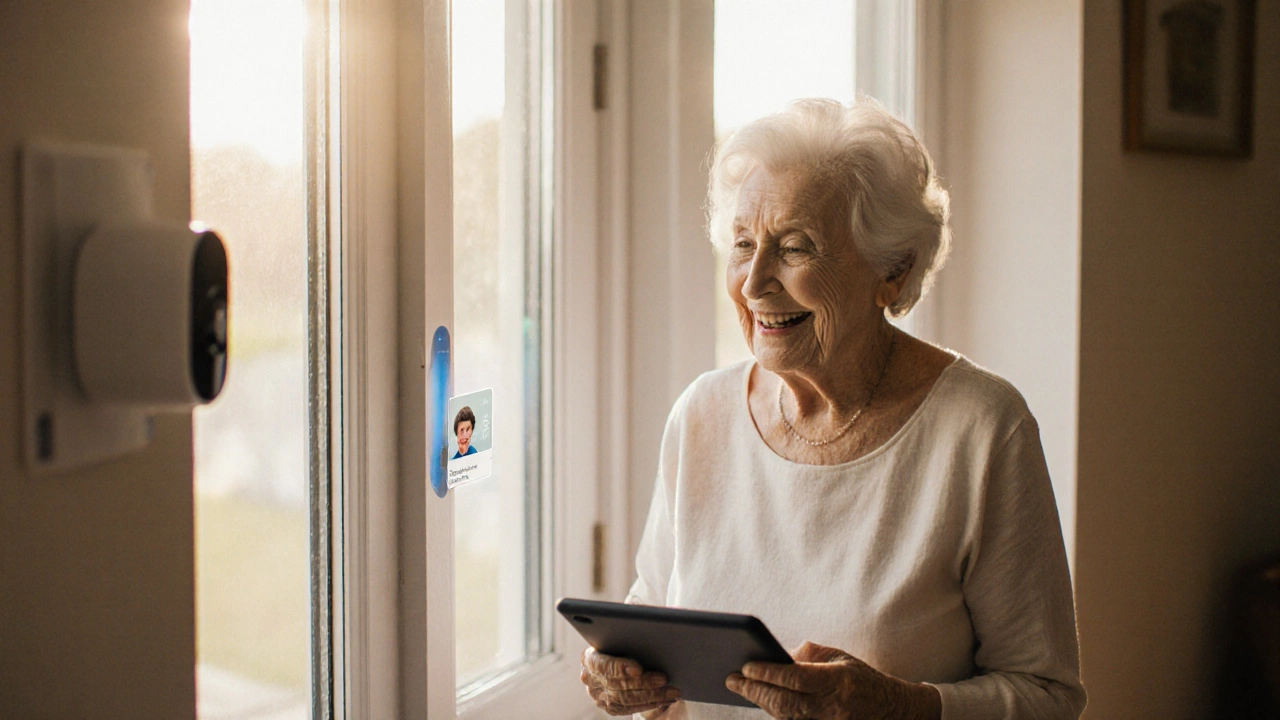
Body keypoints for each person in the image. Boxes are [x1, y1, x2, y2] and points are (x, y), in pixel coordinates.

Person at [578, 98, 1086, 719]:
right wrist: (624, 682)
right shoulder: (700, 415)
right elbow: (652, 613)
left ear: (893, 271)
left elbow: (1048, 696)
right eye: (742, 243)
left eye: (794, 247)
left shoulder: (982, 430)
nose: (753, 280)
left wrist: (902, 709)